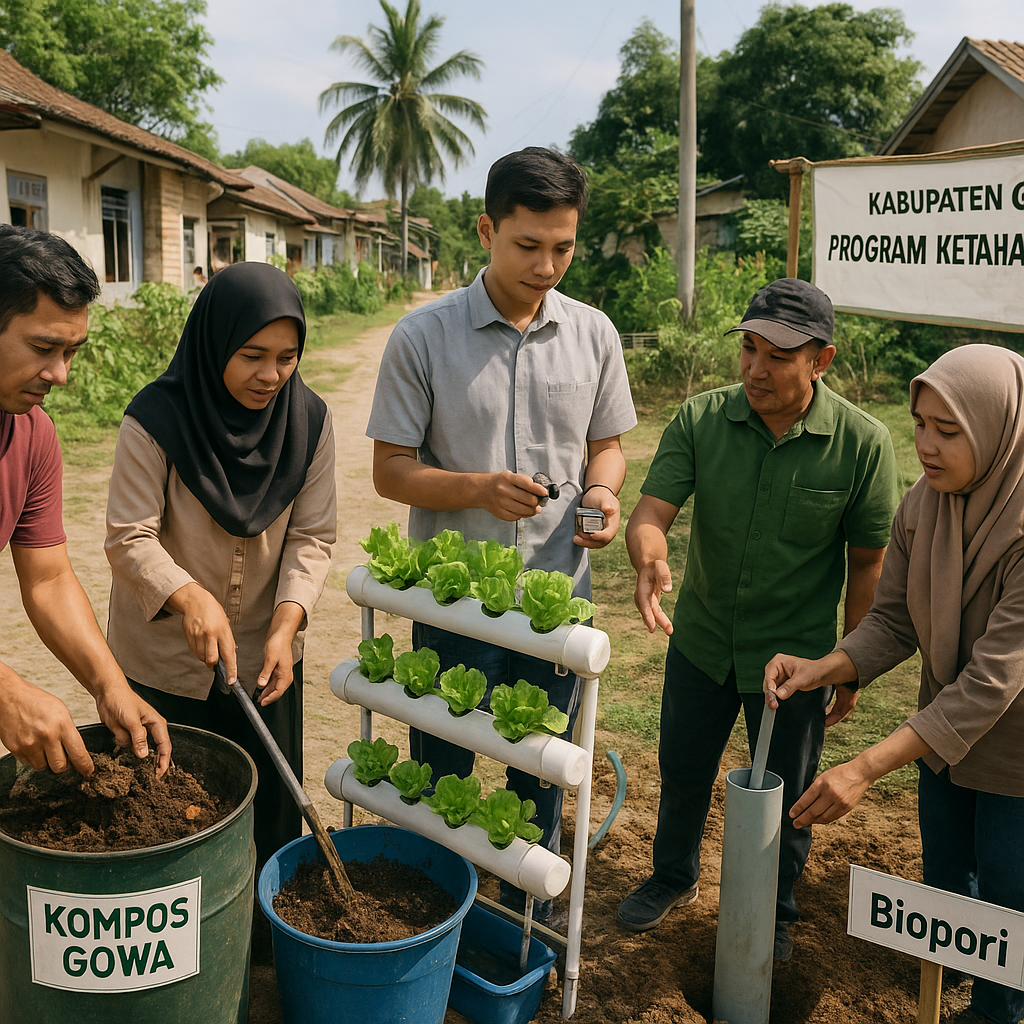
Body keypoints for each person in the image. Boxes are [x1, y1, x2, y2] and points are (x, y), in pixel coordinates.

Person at [366, 146, 637, 920]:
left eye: (564, 247)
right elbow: (391, 471)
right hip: (452, 603)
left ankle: (527, 925)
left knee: (540, 775)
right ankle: (435, 918)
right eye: (528, 245)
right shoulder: (422, 337)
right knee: (440, 769)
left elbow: (607, 446)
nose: (547, 266)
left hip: (555, 603)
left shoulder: (595, 334)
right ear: (487, 231)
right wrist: (478, 488)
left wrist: (603, 492)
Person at [617, 277, 899, 962]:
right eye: (748, 348)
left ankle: (774, 910)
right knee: (684, 771)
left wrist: (851, 665)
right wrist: (650, 556)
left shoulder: (863, 444)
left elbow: (867, 563)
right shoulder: (701, 418)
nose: (755, 369)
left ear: (821, 360)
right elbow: (651, 512)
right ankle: (673, 876)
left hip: (795, 664)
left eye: (777, 355)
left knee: (788, 794)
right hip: (702, 641)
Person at [765, 344, 1024, 1024]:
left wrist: (864, 769)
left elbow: (991, 682)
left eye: (949, 430)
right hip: (941, 742)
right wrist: (824, 666)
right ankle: (951, 971)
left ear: (998, 431)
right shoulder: (924, 503)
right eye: (920, 424)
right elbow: (892, 620)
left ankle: (995, 1007)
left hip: (1016, 753)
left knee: (1009, 888)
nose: (926, 446)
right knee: (947, 867)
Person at [103, 261, 336, 873]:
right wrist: (188, 596)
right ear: (214, 344)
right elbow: (129, 537)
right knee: (167, 824)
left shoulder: (309, 422)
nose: (271, 376)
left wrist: (286, 626)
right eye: (252, 355)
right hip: (165, 663)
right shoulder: (156, 417)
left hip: (265, 661)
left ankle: (259, 928)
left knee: (269, 820)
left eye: (286, 358)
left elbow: (312, 537)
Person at [0, 224, 170, 776]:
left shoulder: (33, 436)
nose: (61, 374)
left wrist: (109, 684)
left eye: (71, 352)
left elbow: (47, 578)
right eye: (43, 348)